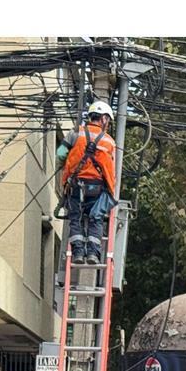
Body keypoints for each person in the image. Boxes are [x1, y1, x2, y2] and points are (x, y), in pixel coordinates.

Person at [61, 101, 117, 264]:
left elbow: (60, 153)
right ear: (104, 119)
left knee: (75, 217)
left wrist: (67, 163)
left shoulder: (75, 133)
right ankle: (93, 254)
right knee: (96, 219)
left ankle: (78, 253)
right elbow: (111, 169)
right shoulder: (109, 141)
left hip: (75, 184)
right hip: (97, 187)